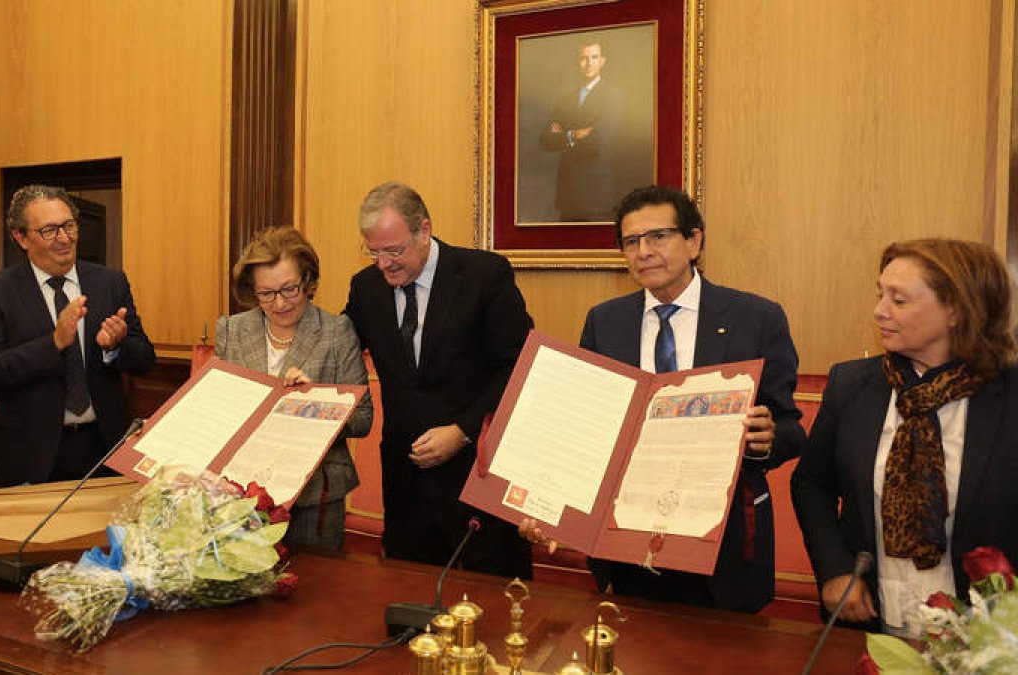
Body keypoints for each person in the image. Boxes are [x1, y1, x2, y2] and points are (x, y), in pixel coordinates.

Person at [522, 184, 805, 613]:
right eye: (631, 242)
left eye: (658, 236)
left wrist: (768, 440)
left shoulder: (756, 318)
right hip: (627, 538)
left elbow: (790, 427)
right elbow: (589, 433)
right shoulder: (605, 322)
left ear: (694, 241)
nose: (643, 251)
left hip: (722, 538)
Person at [792, 239, 1018, 636]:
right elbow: (812, 483)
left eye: (899, 300)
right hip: (873, 623)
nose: (880, 311)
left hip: (990, 634)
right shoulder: (852, 385)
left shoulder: (1009, 396)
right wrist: (836, 570)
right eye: (880, 295)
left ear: (957, 309)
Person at [344, 181, 533, 579]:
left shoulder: (484, 275)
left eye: (394, 250)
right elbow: (337, 346)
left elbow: (519, 365)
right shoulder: (365, 289)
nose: (384, 264)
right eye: (374, 251)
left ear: (424, 231)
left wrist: (463, 430)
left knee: (493, 608)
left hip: (477, 474)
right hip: (407, 483)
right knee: (410, 604)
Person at [0, 185, 156, 486]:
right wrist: (53, 344)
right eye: (49, 230)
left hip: (104, 449)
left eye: (69, 225)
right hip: (27, 455)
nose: (65, 238)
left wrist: (117, 346)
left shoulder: (109, 282)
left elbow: (145, 360)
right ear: (21, 237)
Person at [213, 226, 372, 551]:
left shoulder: (335, 331)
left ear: (308, 280)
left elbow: (363, 419)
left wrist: (314, 400)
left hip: (317, 495)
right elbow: (220, 413)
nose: (280, 303)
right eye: (266, 293)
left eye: (289, 289)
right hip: (243, 492)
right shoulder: (232, 331)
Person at [538, 42, 621, 222]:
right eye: (584, 58)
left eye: (594, 57)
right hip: (567, 192)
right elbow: (545, 140)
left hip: (595, 192)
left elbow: (598, 141)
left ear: (602, 61)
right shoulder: (565, 99)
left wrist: (562, 136)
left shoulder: (612, 96)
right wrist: (573, 135)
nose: (589, 63)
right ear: (578, 62)